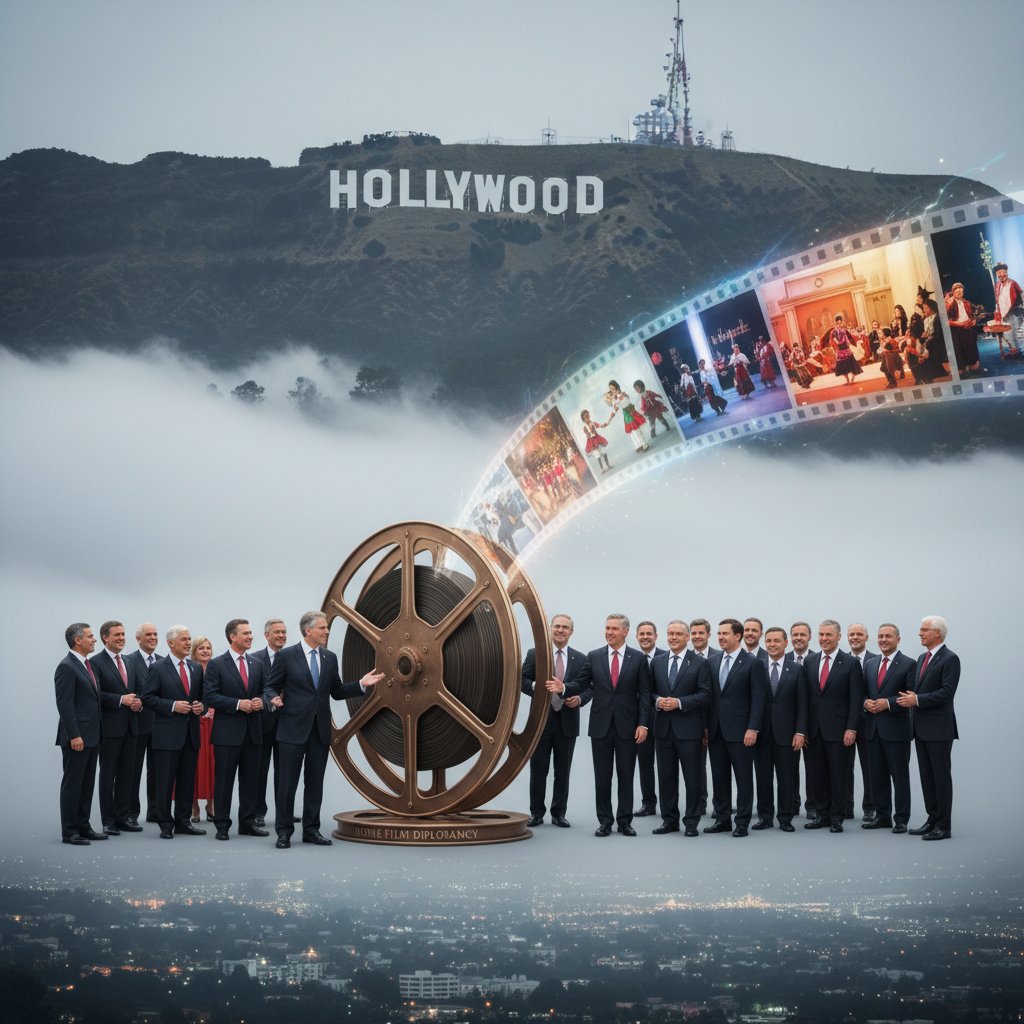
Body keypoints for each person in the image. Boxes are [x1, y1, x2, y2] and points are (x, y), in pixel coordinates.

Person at [266, 611, 384, 848]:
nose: (327, 631)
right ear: (308, 630)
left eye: (327, 628)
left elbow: (337, 691)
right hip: (291, 730)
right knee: (287, 783)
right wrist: (273, 699)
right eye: (322, 628)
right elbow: (270, 686)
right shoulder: (286, 656)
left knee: (314, 783)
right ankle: (284, 833)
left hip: (319, 731)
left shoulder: (329, 658)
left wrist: (361, 684)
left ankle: (311, 830)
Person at [549, 614, 651, 837]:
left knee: (626, 775)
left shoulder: (638, 659)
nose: (609, 632)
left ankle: (625, 822)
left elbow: (644, 695)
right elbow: (582, 683)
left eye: (614, 629)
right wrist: (564, 688)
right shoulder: (594, 657)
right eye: (607, 628)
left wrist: (643, 724)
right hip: (600, 726)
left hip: (628, 726)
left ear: (625, 631)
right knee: (602, 776)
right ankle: (605, 821)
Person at [521, 614, 587, 828]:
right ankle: (536, 813)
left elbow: (589, 687)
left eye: (565, 627)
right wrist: (537, 687)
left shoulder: (581, 658)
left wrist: (580, 699)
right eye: (557, 626)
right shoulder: (535, 654)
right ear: (550, 629)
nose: (560, 630)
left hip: (567, 722)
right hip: (541, 721)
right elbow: (522, 679)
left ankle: (559, 814)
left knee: (563, 770)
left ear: (571, 632)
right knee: (538, 769)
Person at [204, 619, 267, 840]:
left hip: (253, 732)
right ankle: (222, 825)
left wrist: (261, 700)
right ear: (232, 636)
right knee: (224, 782)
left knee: (251, 780)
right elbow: (210, 696)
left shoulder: (257, 664)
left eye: (251, 633)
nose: (251, 637)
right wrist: (239, 704)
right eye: (246, 633)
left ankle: (248, 823)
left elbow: (265, 691)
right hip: (227, 734)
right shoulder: (217, 664)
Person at [141, 625, 206, 839]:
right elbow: (147, 698)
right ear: (171, 643)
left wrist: (200, 707)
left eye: (189, 639)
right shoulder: (158, 668)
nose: (189, 643)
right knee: (165, 781)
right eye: (184, 639)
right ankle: (165, 824)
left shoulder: (195, 668)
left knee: (187, 780)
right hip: (167, 735)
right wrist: (172, 706)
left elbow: (203, 698)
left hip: (191, 733)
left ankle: (183, 821)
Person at [898, 616, 959, 841]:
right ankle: (932, 819)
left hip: (940, 729)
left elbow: (946, 692)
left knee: (940, 778)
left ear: (938, 633)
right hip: (921, 728)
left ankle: (944, 826)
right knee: (927, 777)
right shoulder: (923, 657)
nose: (920, 633)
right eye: (920, 629)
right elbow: (916, 690)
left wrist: (917, 700)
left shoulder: (950, 659)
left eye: (924, 630)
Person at [704, 619, 767, 837]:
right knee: (719, 778)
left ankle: (742, 822)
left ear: (738, 636)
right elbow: (709, 697)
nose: (720, 637)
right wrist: (706, 727)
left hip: (742, 732)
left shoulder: (752, 663)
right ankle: (722, 820)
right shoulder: (712, 662)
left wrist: (753, 728)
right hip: (715, 730)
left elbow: (759, 699)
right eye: (719, 634)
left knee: (743, 779)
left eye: (725, 634)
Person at [650, 620, 712, 837]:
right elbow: (649, 692)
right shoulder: (657, 662)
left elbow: (705, 694)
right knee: (666, 778)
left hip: (689, 730)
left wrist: (680, 703)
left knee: (692, 778)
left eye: (678, 634)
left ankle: (692, 822)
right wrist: (658, 701)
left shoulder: (699, 662)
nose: (673, 637)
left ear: (687, 637)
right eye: (670, 633)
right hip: (663, 730)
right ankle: (669, 821)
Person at [801, 620, 862, 833]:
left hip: (839, 730)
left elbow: (856, 699)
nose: (824, 639)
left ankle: (837, 817)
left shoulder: (850, 663)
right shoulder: (809, 661)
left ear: (838, 637)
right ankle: (822, 815)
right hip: (814, 730)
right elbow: (805, 698)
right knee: (817, 775)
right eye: (821, 635)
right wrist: (803, 729)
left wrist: (851, 728)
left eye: (828, 635)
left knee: (839, 775)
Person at [54, 623, 106, 845]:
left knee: (87, 784)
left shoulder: (87, 665)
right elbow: (65, 705)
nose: (94, 640)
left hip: (92, 736)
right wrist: (74, 735)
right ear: (77, 640)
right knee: (73, 785)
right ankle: (70, 832)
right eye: (90, 636)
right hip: (77, 738)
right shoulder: (67, 666)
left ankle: (84, 826)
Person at [91, 620, 144, 835]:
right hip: (110, 729)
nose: (122, 638)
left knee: (127, 775)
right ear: (105, 637)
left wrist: (138, 701)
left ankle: (123, 818)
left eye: (123, 635)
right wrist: (121, 700)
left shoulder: (130, 662)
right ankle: (108, 820)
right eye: (117, 635)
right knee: (108, 775)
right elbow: (96, 694)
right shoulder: (95, 662)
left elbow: (140, 689)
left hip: (131, 727)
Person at [862, 623, 915, 833]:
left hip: (897, 730)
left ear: (898, 639)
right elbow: (863, 692)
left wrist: (888, 703)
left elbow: (911, 695)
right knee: (877, 775)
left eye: (888, 637)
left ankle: (901, 818)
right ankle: (882, 816)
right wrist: (865, 703)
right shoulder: (870, 664)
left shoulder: (909, 664)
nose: (883, 640)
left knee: (899, 776)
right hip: (873, 729)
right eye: (880, 636)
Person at [753, 627, 806, 832]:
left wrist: (800, 732)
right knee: (763, 777)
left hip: (788, 734)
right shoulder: (757, 666)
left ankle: (785, 818)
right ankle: (765, 817)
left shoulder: (797, 669)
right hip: (762, 733)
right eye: (769, 641)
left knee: (786, 778)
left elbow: (802, 704)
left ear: (786, 643)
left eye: (777, 641)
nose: (772, 644)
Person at [251, 618, 287, 829]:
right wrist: (266, 701)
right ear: (267, 635)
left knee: (285, 772)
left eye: (284, 632)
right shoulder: (255, 660)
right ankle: (258, 812)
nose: (281, 636)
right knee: (259, 770)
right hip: (262, 723)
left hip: (286, 724)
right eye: (277, 632)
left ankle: (284, 813)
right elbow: (253, 689)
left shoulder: (293, 657)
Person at [124, 622, 160, 825]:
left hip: (160, 725)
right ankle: (131, 813)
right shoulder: (128, 661)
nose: (153, 638)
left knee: (157, 771)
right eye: (148, 634)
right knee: (133, 770)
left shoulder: (164, 662)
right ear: (138, 638)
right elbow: (126, 687)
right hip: (136, 724)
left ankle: (154, 811)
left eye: (155, 634)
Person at [845, 623, 877, 822]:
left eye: (859, 634)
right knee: (844, 767)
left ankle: (870, 807)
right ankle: (846, 807)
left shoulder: (876, 660)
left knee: (869, 767)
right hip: (845, 723)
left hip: (869, 722)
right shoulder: (842, 661)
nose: (855, 637)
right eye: (851, 634)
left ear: (866, 637)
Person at [634, 621, 664, 817]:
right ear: (636, 636)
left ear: (656, 636)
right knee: (645, 763)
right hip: (640, 720)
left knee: (665, 763)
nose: (645, 637)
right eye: (641, 634)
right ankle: (649, 803)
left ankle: (670, 804)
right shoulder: (634, 658)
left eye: (649, 634)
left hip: (664, 719)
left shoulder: (666, 657)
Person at [786, 621, 816, 820]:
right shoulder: (783, 658)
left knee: (813, 767)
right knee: (790, 767)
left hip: (815, 723)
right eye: (795, 634)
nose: (798, 638)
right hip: (788, 724)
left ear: (809, 637)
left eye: (802, 635)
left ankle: (812, 805)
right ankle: (792, 804)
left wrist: (804, 729)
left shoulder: (817, 659)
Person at [189, 636, 216, 823]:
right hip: (194, 723)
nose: (205, 651)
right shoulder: (190, 670)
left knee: (213, 765)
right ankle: (193, 806)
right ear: (194, 652)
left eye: (208, 648)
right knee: (194, 765)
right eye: (201, 648)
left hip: (214, 724)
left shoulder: (217, 669)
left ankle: (211, 804)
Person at [944, 283, 980, 375]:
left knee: (971, 350)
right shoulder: (949, 303)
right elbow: (946, 321)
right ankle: (962, 367)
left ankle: (972, 364)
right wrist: (959, 324)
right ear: (953, 292)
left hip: (968, 330)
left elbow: (973, 314)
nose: (959, 290)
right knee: (959, 351)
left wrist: (974, 320)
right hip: (956, 331)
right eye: (956, 289)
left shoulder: (967, 302)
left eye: (960, 288)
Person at [604, 380, 649, 452]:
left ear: (616, 388)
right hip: (627, 415)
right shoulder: (615, 399)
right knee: (632, 432)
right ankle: (638, 445)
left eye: (613, 388)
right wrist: (608, 421)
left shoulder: (621, 395)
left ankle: (644, 444)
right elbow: (614, 411)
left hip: (631, 413)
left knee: (636, 430)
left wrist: (618, 398)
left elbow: (625, 401)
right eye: (611, 389)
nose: (612, 391)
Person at [993, 262, 1023, 357]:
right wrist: (996, 310)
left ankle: (1020, 349)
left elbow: (1022, 295)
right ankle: (1013, 349)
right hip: (1003, 313)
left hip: (1015, 311)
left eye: (1004, 272)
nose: (1002, 275)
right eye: (999, 273)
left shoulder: (1013, 283)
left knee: (1016, 331)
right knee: (1007, 332)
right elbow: (997, 299)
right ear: (997, 275)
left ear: (1007, 272)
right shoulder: (997, 285)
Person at [831, 316, 862, 385]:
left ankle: (852, 378)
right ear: (836, 323)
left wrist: (851, 345)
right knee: (842, 367)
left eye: (840, 323)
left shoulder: (845, 331)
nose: (839, 325)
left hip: (847, 349)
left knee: (853, 365)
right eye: (837, 323)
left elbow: (850, 339)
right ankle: (847, 379)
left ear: (841, 322)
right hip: (840, 350)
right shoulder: (834, 332)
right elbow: (833, 339)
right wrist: (836, 343)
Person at [580, 409, 612, 475]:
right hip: (592, 442)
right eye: (586, 416)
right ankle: (602, 469)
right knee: (597, 456)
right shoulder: (585, 427)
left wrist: (605, 424)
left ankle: (608, 465)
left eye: (588, 415)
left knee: (604, 452)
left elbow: (600, 426)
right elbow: (588, 435)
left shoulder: (593, 423)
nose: (588, 417)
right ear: (583, 418)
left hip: (598, 439)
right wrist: (590, 429)